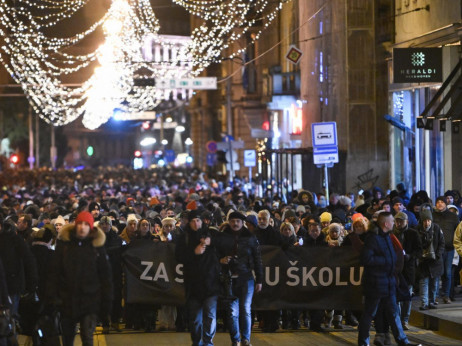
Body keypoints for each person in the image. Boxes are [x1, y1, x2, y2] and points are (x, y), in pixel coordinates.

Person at [47, 211, 113, 346]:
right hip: (67, 301)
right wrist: (53, 297)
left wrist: (106, 303)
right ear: (75, 226)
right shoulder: (64, 246)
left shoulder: (96, 248)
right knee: (67, 339)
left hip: (90, 300)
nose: (82, 227)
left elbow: (105, 277)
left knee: (88, 338)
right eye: (80, 224)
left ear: (90, 227)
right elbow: (54, 273)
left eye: (86, 224)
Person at [358, 212, 415, 346]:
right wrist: (385, 261)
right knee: (369, 313)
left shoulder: (387, 237)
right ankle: (363, 342)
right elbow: (365, 259)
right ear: (385, 224)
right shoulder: (373, 238)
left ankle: (402, 340)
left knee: (394, 312)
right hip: (375, 283)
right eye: (392, 221)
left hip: (388, 282)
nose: (394, 224)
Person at [175, 210, 221, 346]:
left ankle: (208, 342)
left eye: (198, 220)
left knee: (210, 317)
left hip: (211, 284)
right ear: (189, 223)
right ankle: (197, 341)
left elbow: (225, 242)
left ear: (203, 221)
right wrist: (193, 252)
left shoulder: (210, 233)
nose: (196, 223)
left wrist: (210, 241)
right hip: (193, 285)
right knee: (195, 319)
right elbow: (178, 257)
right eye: (193, 221)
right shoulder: (185, 238)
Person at [217, 211, 263, 346]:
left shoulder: (250, 237)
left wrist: (259, 280)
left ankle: (246, 339)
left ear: (243, 223)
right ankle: (235, 340)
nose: (235, 223)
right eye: (232, 221)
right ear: (229, 222)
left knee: (245, 309)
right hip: (228, 278)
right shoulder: (222, 237)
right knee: (232, 311)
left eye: (238, 221)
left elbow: (257, 259)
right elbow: (215, 254)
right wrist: (221, 260)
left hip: (246, 277)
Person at [393, 212, 421, 330]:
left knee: (407, 296)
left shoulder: (412, 233)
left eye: (401, 221)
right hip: (395, 269)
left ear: (406, 222)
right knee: (396, 296)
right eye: (397, 221)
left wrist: (409, 256)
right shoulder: (392, 234)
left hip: (408, 269)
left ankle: (405, 319)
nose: (398, 223)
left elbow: (419, 250)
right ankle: (398, 319)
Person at [432, 196, 459, 304]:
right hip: (437, 248)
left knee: (447, 273)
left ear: (445, 204)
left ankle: (446, 295)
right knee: (438, 273)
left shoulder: (453, 217)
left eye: (442, 202)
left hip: (449, 248)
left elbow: (458, 231)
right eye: (438, 202)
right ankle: (435, 296)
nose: (439, 204)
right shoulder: (433, 216)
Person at [417, 209, 444, 310]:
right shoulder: (418, 230)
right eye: (425, 220)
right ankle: (424, 303)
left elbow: (442, 243)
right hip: (423, 261)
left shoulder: (436, 229)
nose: (427, 223)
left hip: (435, 261)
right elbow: (417, 245)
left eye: (428, 220)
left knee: (434, 283)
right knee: (424, 282)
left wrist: (437, 255)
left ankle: (432, 301)